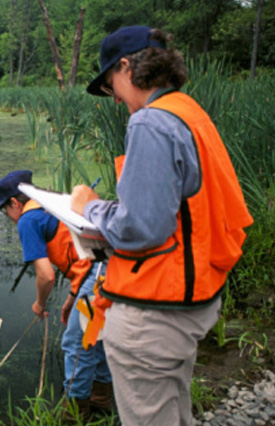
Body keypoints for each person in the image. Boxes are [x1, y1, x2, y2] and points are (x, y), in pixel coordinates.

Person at [71, 25, 253, 426]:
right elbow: (175, 210)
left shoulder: (150, 123)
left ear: (126, 67)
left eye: (109, 85)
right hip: (194, 300)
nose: (114, 97)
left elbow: (140, 230)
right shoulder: (189, 112)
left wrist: (91, 208)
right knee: (174, 412)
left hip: (154, 313)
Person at [0, 170, 112, 418]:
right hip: (108, 270)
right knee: (95, 339)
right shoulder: (51, 205)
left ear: (15, 203)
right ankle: (101, 402)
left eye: (6, 210)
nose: (9, 217)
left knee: (77, 344)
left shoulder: (28, 220)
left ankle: (74, 414)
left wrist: (39, 304)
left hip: (97, 278)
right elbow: (79, 259)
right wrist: (71, 299)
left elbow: (46, 276)